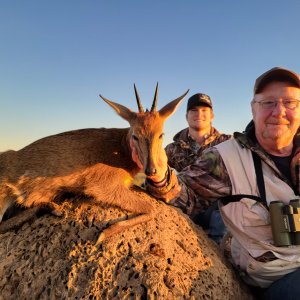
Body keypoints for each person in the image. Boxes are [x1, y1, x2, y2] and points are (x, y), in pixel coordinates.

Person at [131, 67, 300, 299]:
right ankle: (211, 250)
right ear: (253, 109)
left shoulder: (223, 139)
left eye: (290, 102)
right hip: (276, 273)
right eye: (268, 102)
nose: (279, 111)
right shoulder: (225, 156)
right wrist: (157, 172)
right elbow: (184, 193)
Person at [165, 93, 231, 243]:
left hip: (217, 212)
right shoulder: (171, 149)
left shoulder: (228, 144)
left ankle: (217, 252)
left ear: (212, 115)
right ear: (186, 116)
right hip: (182, 209)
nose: (199, 114)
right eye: (194, 110)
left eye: (204, 110)